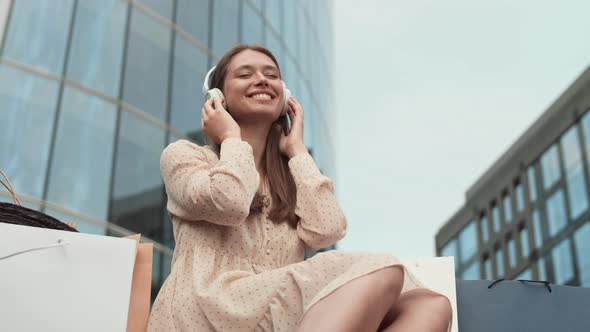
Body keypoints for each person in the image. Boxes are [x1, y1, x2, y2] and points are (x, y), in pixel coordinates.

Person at [148, 44, 452, 332]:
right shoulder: (185, 156)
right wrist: (231, 137)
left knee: (430, 304)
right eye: (245, 74)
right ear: (217, 96)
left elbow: (327, 230)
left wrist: (298, 152)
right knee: (380, 267)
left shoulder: (291, 178)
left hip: (279, 313)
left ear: (285, 97)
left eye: (271, 75)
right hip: (210, 310)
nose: (261, 80)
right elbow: (230, 202)